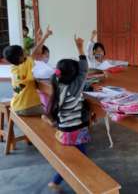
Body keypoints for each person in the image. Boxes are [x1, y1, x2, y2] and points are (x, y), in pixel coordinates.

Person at [46, 35, 91, 192]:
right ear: (74, 76)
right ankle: (60, 181)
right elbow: (84, 70)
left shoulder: (57, 82)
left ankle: (58, 180)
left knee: (73, 158)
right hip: (75, 130)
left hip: (64, 129)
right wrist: (80, 48)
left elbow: (82, 71)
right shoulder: (73, 89)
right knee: (80, 158)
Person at [3, 26, 52, 116]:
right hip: (27, 106)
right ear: (20, 57)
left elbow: (34, 54)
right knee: (51, 114)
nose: (26, 52)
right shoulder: (24, 66)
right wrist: (45, 36)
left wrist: (39, 39)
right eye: (23, 51)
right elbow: (35, 53)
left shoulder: (14, 68)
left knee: (44, 105)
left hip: (16, 104)